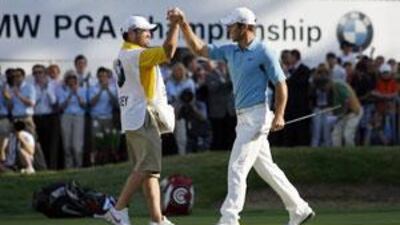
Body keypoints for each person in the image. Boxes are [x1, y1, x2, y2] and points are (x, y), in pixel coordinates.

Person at [171, 7, 314, 225]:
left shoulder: (264, 51)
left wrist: (280, 115)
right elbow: (199, 48)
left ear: (245, 27)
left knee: (237, 166)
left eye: (231, 26)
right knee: (267, 169)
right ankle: (299, 208)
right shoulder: (231, 50)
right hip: (243, 118)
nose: (227, 29)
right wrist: (183, 24)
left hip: (257, 116)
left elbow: (281, 85)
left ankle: (229, 219)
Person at [100, 12, 180, 225]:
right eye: (146, 31)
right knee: (148, 168)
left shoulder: (123, 55)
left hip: (132, 117)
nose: (149, 35)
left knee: (149, 173)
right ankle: (118, 210)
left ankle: (157, 219)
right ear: (132, 33)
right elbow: (168, 52)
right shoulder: (136, 55)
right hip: (143, 115)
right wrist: (175, 25)